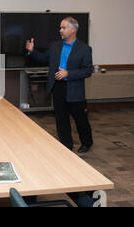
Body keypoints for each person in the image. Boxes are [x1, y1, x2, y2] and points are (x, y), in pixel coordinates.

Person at [25, 17, 93, 153]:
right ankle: (66, 145)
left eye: (63, 28)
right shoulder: (56, 46)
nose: (60, 30)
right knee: (61, 118)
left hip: (74, 89)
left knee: (80, 119)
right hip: (58, 87)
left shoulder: (84, 49)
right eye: (60, 27)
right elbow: (43, 58)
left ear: (73, 30)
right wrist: (32, 51)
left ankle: (86, 143)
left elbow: (87, 70)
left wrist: (68, 73)